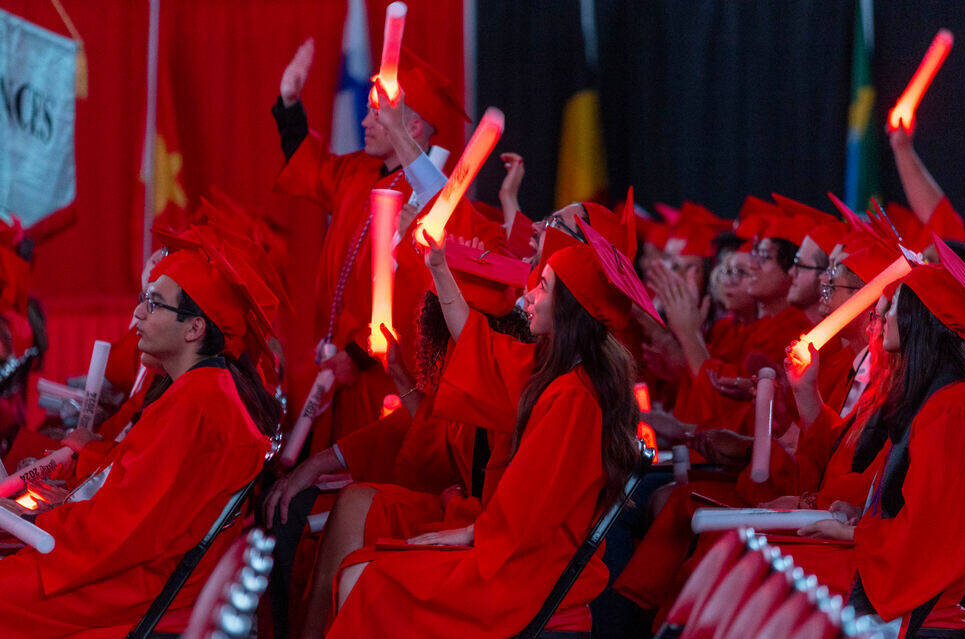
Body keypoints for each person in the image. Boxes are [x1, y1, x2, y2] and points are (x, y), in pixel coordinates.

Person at [320, 219, 657, 638]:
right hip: (514, 552)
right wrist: (440, 269)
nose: (528, 297)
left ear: (570, 309)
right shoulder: (556, 374)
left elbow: (531, 510)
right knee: (365, 567)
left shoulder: (575, 397)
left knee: (367, 580)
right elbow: (480, 346)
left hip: (524, 574)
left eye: (544, 287)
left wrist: (467, 533)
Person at [0, 239, 279, 638]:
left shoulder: (197, 405)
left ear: (195, 328)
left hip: (131, 589)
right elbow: (136, 494)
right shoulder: (201, 391)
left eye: (153, 304)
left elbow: (117, 527)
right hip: (138, 571)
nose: (137, 314)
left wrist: (38, 519)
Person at [272, 38, 502, 450]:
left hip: (382, 376)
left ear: (411, 126)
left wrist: (357, 355)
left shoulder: (435, 202)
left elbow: (418, 296)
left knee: (365, 466)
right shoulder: (357, 171)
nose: (364, 122)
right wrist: (290, 103)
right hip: (333, 362)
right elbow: (308, 167)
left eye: (376, 113)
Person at [797, 236, 965, 637]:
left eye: (894, 304)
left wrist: (853, 532)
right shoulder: (935, 397)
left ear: (921, 319)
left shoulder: (955, 409)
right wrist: (856, 513)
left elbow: (934, 534)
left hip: (919, 602)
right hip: (895, 570)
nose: (881, 313)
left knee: (784, 582)